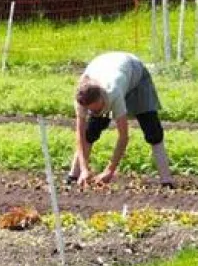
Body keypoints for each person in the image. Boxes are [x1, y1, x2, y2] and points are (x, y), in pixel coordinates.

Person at [71, 51, 175, 188]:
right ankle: (74, 175)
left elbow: (123, 137)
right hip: (105, 64)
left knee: (152, 131)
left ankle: (166, 180)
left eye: (97, 109)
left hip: (134, 72)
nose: (95, 112)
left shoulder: (114, 92)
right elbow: (80, 134)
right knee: (90, 131)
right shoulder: (81, 97)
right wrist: (85, 169)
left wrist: (109, 170)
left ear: (102, 98)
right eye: (91, 110)